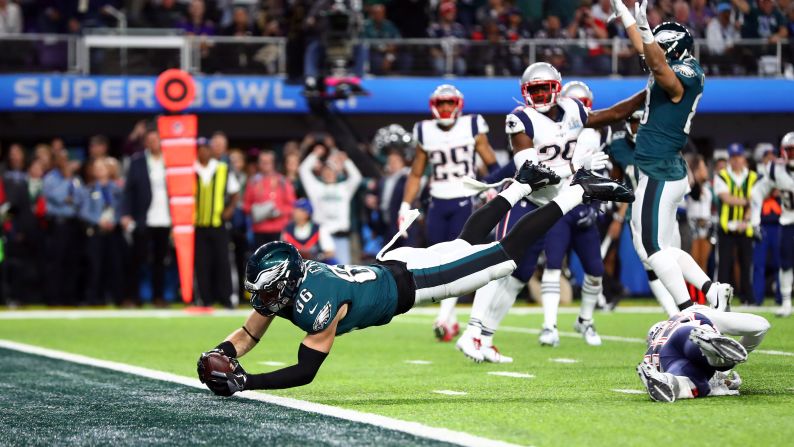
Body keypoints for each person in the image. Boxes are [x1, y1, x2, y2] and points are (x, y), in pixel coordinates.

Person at [196, 161, 634, 396]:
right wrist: (219, 353)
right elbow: (250, 334)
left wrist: (244, 381)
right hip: (395, 266)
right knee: (468, 242)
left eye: (266, 289)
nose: (261, 298)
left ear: (287, 284)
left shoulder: (317, 302)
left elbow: (306, 372)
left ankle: (581, 190)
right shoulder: (291, 287)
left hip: (417, 280)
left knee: (505, 254)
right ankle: (521, 184)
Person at [455, 61, 645, 363]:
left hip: (551, 209)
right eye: (535, 89)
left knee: (519, 277)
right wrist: (576, 168)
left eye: (545, 88)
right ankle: (471, 333)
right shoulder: (521, 119)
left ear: (556, 87)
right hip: (525, 202)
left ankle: (486, 338)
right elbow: (531, 171)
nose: (541, 94)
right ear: (525, 92)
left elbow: (613, 114)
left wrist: (648, 91)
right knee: (496, 266)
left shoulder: (573, 109)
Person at [611, 0, 733, 313]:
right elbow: (646, 49)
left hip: (659, 168)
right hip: (665, 168)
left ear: (672, 49)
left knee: (651, 248)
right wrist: (626, 14)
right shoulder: (676, 61)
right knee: (660, 248)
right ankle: (711, 290)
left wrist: (647, 34)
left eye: (660, 46)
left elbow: (660, 67)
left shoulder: (685, 73)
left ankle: (686, 311)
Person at [399, 84, 499, 342]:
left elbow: (491, 162)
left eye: (449, 103)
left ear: (458, 105)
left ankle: (444, 316)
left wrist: (494, 188)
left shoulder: (473, 125)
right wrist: (405, 204)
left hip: (464, 198)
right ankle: (451, 320)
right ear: (434, 106)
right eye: (441, 103)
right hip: (437, 201)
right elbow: (417, 173)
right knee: (437, 258)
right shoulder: (425, 130)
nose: (445, 108)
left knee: (456, 256)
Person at [637, 305, 770, 402]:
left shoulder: (650, 352)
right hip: (688, 329)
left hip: (666, 358)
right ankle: (710, 348)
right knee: (761, 326)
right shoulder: (677, 318)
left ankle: (668, 381)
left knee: (698, 384)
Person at [121, 128, 173, 307]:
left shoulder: (171, 161)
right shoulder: (137, 161)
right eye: (149, 140)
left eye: (156, 140)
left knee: (160, 261)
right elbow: (128, 190)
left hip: (165, 218)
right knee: (137, 260)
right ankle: (133, 297)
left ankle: (158, 297)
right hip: (143, 218)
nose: (153, 143)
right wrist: (126, 214)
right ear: (145, 143)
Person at [194, 138, 241, 308]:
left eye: (206, 148)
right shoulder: (191, 168)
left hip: (218, 222)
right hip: (197, 223)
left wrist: (230, 209)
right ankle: (205, 299)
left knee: (223, 261)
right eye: (199, 148)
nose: (203, 152)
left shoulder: (222, 168)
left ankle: (227, 298)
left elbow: (235, 192)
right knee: (202, 263)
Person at [752, 132, 794, 317]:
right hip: (787, 221)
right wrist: (755, 221)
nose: (791, 155)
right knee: (785, 264)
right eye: (789, 151)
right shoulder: (774, 169)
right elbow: (757, 192)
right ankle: (786, 302)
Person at [299, 147, 362, 266]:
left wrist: (346, 161)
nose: (328, 173)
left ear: (336, 173)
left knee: (343, 271)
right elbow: (303, 170)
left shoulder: (344, 188)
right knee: (322, 273)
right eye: (326, 170)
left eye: (331, 170)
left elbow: (356, 177)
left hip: (341, 237)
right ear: (322, 173)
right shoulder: (316, 188)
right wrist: (314, 154)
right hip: (321, 238)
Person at [713, 143, 757, 304]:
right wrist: (746, 201)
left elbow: (756, 201)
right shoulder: (722, 175)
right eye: (733, 157)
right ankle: (720, 300)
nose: (736, 160)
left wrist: (745, 220)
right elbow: (726, 198)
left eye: (739, 157)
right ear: (730, 159)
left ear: (743, 158)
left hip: (746, 227)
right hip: (726, 227)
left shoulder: (752, 176)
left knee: (746, 263)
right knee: (724, 265)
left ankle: (747, 298)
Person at [77, 157, 124, 306]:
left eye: (102, 167)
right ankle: (93, 298)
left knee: (114, 265)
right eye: (96, 168)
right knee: (94, 266)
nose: (99, 170)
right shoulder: (89, 189)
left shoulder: (118, 188)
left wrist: (114, 221)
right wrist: (98, 220)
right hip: (96, 232)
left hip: (113, 231)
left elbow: (122, 208)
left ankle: (115, 297)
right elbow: (83, 212)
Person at [243, 150, 295, 248]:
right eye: (262, 162)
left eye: (268, 162)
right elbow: (246, 205)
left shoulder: (283, 181)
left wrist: (279, 212)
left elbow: (292, 205)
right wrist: (256, 211)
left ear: (273, 163)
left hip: (279, 229)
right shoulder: (253, 182)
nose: (265, 164)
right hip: (259, 230)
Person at [281, 198, 335, 262]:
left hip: (316, 266)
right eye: (295, 209)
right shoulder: (287, 229)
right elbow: (282, 251)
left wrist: (317, 257)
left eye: (299, 209)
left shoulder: (319, 229)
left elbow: (330, 252)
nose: (295, 211)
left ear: (307, 213)